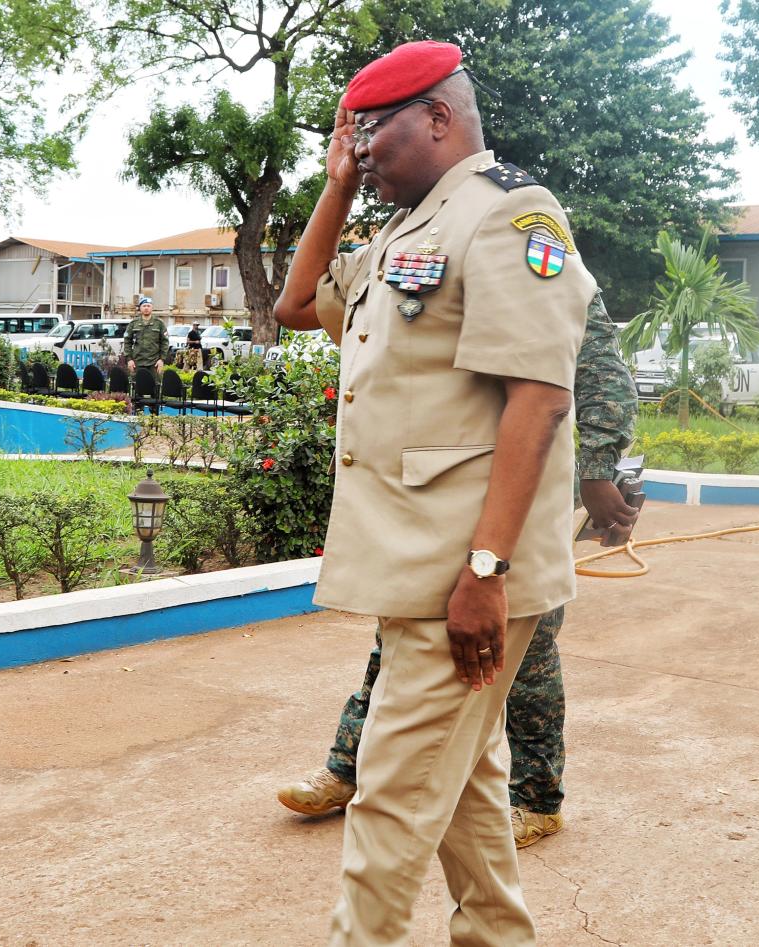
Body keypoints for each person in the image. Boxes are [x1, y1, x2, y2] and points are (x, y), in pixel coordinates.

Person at [273, 41, 596, 943]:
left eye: (372, 130)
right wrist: (337, 185)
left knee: (390, 799)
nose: (361, 147)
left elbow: (537, 396)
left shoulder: (509, 215)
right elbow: (298, 304)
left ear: (440, 118)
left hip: (462, 568)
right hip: (416, 567)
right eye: (352, 135)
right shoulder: (405, 230)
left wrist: (485, 569)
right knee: (469, 792)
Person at [276, 290, 639, 850]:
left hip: (522, 490)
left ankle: (538, 798)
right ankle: (352, 766)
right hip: (441, 485)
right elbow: (306, 309)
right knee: (405, 630)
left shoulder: (525, 245)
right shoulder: (430, 241)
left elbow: (599, 374)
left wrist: (594, 470)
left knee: (526, 647)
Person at [123, 295, 167, 379]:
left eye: (148, 306)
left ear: (152, 308)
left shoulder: (159, 323)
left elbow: (164, 342)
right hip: (137, 362)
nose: (146, 308)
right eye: (144, 306)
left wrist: (162, 360)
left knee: (155, 387)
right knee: (138, 387)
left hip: (154, 362)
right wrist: (129, 360)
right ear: (140, 308)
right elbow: (127, 341)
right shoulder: (133, 323)